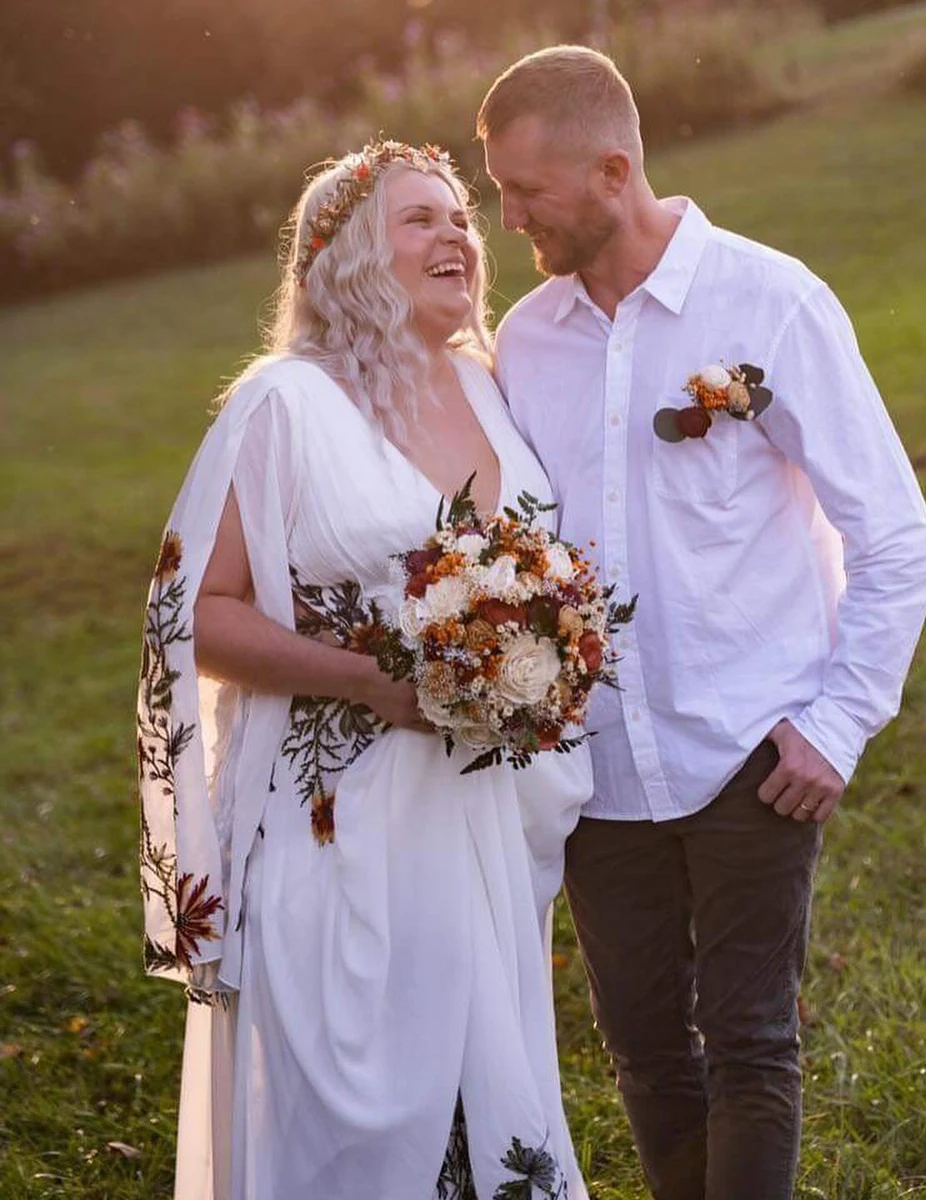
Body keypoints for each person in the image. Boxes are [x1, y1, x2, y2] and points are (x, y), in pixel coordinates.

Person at [478, 48, 926, 1200]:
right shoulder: (524, 341)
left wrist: (837, 726)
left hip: (751, 750)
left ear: (613, 169)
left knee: (748, 1046)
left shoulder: (772, 302)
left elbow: (892, 535)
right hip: (596, 771)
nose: (506, 217)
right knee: (642, 1053)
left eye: (524, 191)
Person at [137, 140, 591, 1200]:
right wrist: (369, 679)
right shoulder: (283, 405)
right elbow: (195, 612)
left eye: (461, 219)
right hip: (333, 812)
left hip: (475, 814)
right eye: (419, 219)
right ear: (341, 256)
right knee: (352, 1098)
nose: (458, 237)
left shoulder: (486, 389)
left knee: (488, 1091)